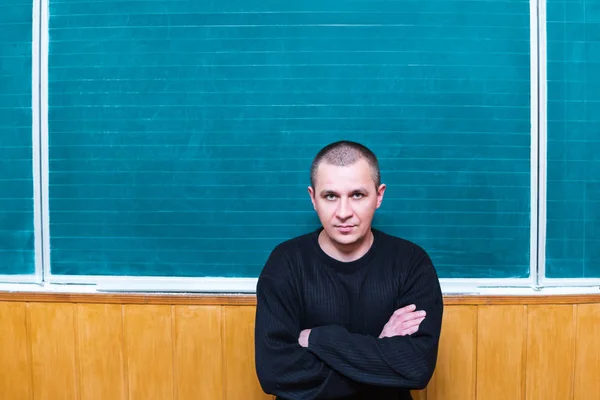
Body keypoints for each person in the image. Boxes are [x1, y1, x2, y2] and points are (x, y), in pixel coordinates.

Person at [254, 140, 444, 400]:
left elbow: (415, 368)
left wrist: (321, 339)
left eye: (357, 195)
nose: (344, 212)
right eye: (331, 196)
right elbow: (275, 373)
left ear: (379, 196)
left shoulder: (412, 264)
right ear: (313, 198)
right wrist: (379, 349)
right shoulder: (285, 264)